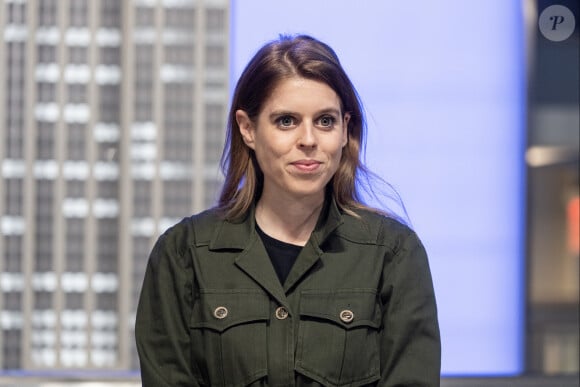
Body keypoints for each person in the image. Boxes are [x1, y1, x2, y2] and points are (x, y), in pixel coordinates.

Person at [135, 34, 440, 386]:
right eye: (286, 121)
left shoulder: (394, 254)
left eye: (325, 121)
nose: (308, 140)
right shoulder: (183, 255)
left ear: (345, 130)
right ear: (247, 129)